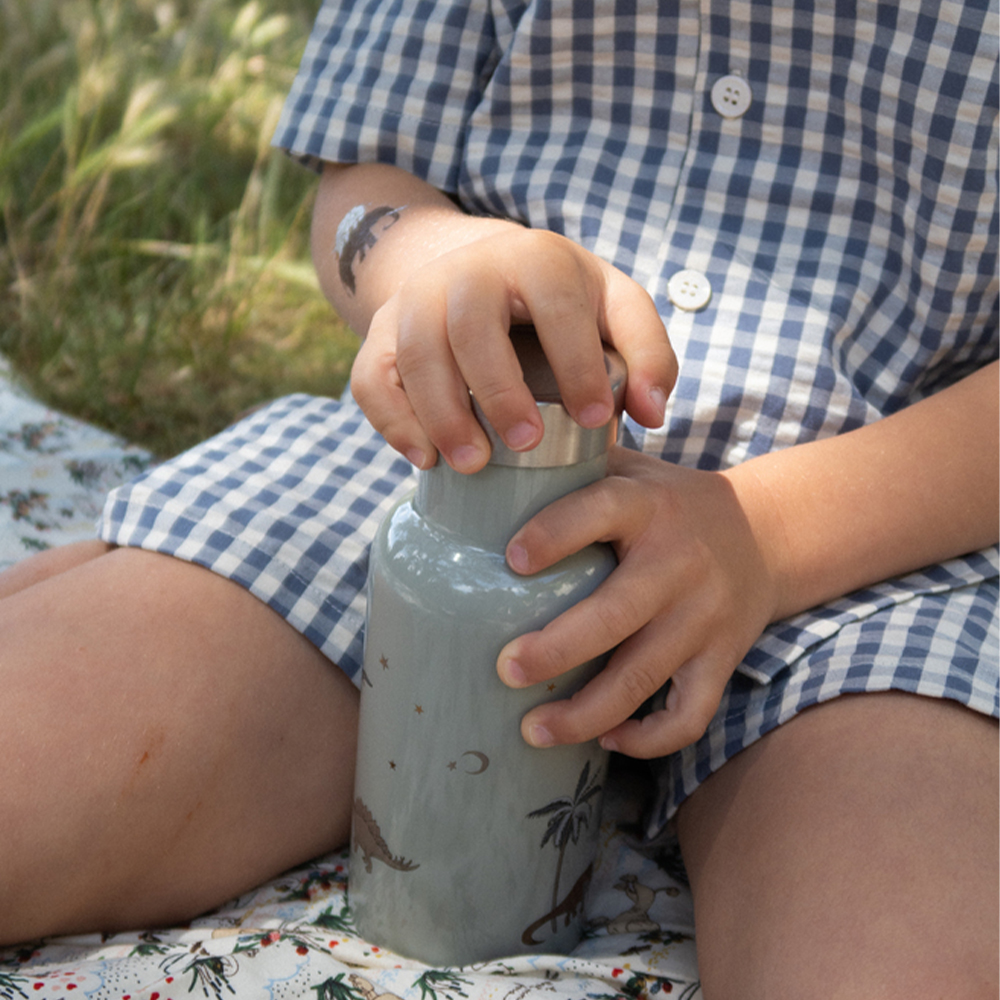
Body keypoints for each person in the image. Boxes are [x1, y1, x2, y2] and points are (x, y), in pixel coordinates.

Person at [1, 0, 997, 994]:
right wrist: (440, 271)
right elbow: (364, 182)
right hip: (442, 470)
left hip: (888, 541)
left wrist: (769, 537)